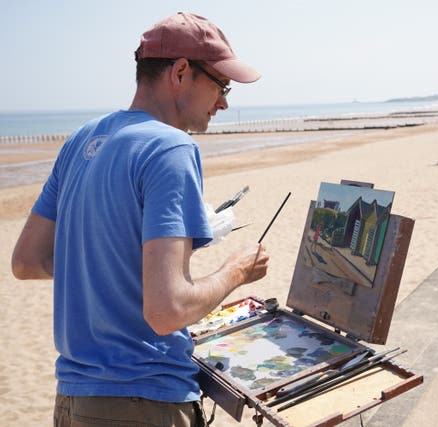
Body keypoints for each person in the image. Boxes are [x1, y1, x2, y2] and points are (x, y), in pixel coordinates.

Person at [11, 12, 269, 426]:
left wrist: (107, 263)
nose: (223, 101)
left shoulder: (83, 139)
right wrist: (236, 271)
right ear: (181, 72)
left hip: (74, 399)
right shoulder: (171, 148)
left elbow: (26, 262)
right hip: (142, 400)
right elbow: (167, 311)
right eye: (221, 86)